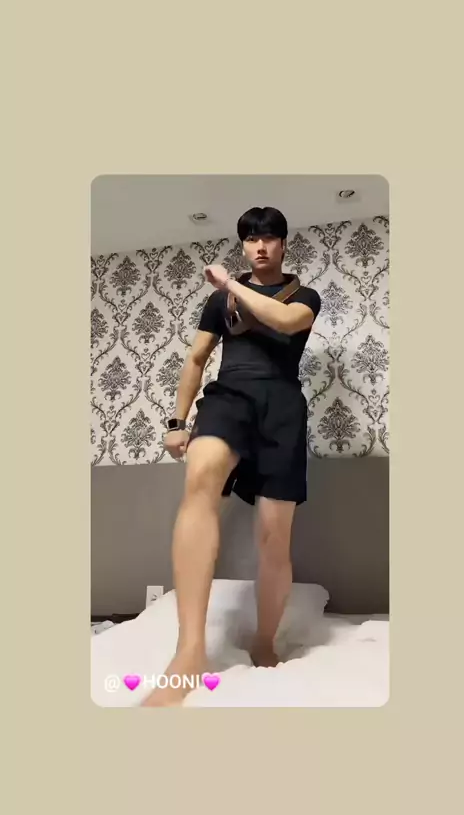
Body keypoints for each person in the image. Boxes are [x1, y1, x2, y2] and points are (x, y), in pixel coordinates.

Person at [142, 206, 321, 707]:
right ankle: (190, 652)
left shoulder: (304, 296)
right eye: (251, 239)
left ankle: (264, 642)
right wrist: (177, 423)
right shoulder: (219, 302)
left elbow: (285, 321)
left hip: (283, 408)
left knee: (274, 535)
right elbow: (197, 358)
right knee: (201, 475)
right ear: (243, 246)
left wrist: (229, 285)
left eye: (269, 238)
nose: (260, 246)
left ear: (283, 244)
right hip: (230, 397)